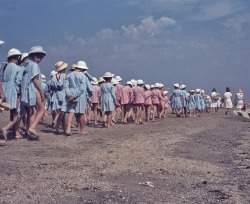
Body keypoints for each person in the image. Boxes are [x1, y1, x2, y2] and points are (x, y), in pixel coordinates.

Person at [21, 46, 47, 140]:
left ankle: (28, 131)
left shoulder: (26, 64)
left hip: (26, 89)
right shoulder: (35, 65)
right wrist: (41, 91)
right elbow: (35, 80)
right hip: (33, 89)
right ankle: (32, 128)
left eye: (40, 57)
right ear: (32, 56)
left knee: (32, 111)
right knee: (41, 109)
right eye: (37, 56)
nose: (39, 58)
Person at [64, 61, 93, 135]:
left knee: (71, 112)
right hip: (80, 96)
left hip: (70, 93)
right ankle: (82, 130)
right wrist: (75, 96)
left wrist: (69, 95)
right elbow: (82, 88)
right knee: (81, 113)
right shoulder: (82, 76)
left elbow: (66, 86)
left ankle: (68, 129)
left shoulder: (69, 75)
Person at [1, 48, 23, 140]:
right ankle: (6, 128)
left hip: (4, 89)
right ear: (17, 57)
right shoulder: (19, 68)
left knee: (8, 110)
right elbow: (18, 81)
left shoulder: (5, 67)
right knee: (18, 112)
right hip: (13, 91)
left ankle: (15, 131)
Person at [51, 61, 68, 134]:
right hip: (63, 94)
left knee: (60, 111)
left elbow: (52, 86)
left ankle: (63, 128)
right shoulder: (65, 75)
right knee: (63, 112)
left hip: (56, 94)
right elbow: (64, 85)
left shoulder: (54, 76)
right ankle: (58, 126)